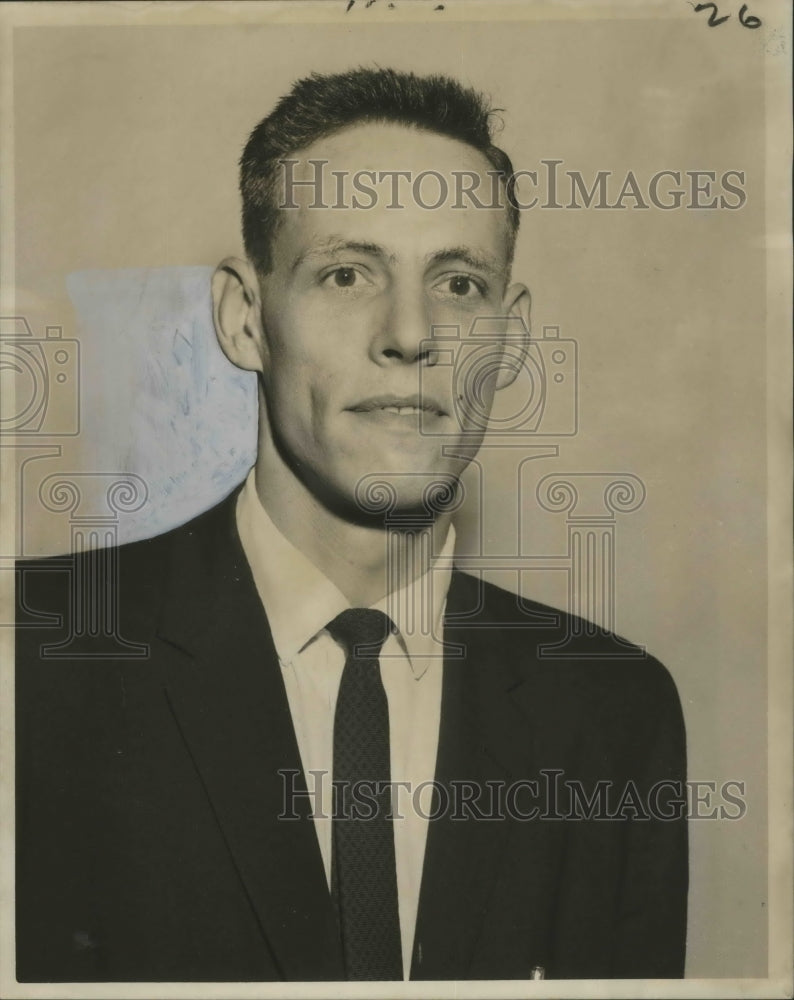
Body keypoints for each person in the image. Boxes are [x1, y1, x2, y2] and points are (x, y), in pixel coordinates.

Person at [15, 67, 688, 983]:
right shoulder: (34, 653)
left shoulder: (615, 713)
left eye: (458, 283)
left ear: (512, 337)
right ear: (244, 319)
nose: (410, 333)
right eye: (345, 273)